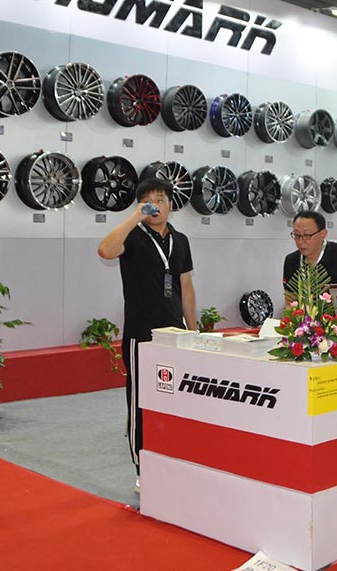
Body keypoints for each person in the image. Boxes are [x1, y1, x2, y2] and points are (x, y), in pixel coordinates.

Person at [98, 178, 197, 485]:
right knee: (140, 402)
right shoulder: (133, 236)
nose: (156, 206)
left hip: (175, 334)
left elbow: (186, 286)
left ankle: (171, 461)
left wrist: (193, 330)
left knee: (174, 400)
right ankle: (142, 469)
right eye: (148, 201)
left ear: (171, 205)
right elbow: (105, 250)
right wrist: (134, 217)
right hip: (141, 334)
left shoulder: (180, 240)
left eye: (161, 200)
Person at [283, 211, 337, 302]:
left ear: (322, 234)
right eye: (297, 235)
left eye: (307, 235)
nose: (300, 241)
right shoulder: (291, 260)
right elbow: (290, 301)